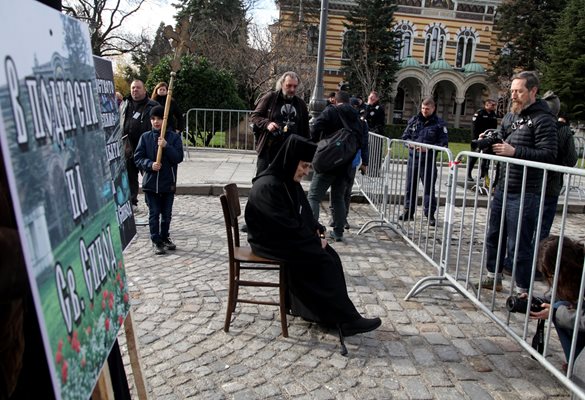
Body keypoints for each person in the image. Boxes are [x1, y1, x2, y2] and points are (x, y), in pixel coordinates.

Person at [244, 134, 382, 336]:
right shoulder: (268, 186)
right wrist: (313, 240)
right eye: (304, 166)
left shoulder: (287, 181)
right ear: (291, 161)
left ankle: (325, 313)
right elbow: (283, 226)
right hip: (269, 241)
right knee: (323, 260)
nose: (306, 171)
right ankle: (345, 320)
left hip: (282, 237)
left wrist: (315, 227)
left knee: (330, 255)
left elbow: (301, 212)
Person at [476, 71, 558, 293]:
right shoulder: (511, 116)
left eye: (519, 91)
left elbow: (550, 154)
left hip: (526, 191)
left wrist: (515, 152)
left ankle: (523, 290)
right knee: (494, 234)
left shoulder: (544, 119)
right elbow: (501, 135)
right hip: (503, 186)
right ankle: (493, 276)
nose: (514, 95)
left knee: (519, 244)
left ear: (533, 91)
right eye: (512, 91)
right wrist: (489, 137)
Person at [307, 91, 366, 241]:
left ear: (335, 100)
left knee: (313, 196)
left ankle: (311, 229)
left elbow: (315, 127)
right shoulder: (357, 118)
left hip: (328, 161)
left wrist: (317, 143)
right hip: (346, 163)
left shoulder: (331, 111)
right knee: (338, 197)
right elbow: (362, 140)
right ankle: (338, 232)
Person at [134, 105, 184, 255]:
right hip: (151, 184)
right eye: (153, 119)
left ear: (165, 120)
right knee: (154, 213)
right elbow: (138, 158)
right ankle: (156, 240)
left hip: (168, 183)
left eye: (159, 119)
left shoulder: (174, 138)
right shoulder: (145, 137)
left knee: (166, 214)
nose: (156, 122)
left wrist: (166, 146)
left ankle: (164, 237)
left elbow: (178, 158)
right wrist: (150, 164)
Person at [530, 236, 585, 365]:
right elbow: (559, 295)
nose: (553, 279)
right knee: (559, 306)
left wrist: (555, 312)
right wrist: (534, 300)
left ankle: (577, 367)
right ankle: (575, 363)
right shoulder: (574, 272)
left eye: (554, 274)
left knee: (559, 309)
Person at [399, 96, 448, 226]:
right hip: (413, 159)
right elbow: (405, 137)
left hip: (428, 161)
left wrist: (430, 150)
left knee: (428, 189)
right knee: (410, 187)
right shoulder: (414, 120)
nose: (424, 110)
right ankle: (408, 211)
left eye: (427, 108)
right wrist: (410, 144)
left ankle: (430, 214)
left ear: (433, 108)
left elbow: (443, 144)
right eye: (422, 108)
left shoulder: (439, 124)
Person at [250, 71, 310, 175]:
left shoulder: (300, 104)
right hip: (269, 148)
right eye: (289, 86)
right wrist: (267, 124)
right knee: (262, 180)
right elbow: (255, 116)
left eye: (295, 86)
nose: (292, 89)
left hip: (291, 151)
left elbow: (305, 130)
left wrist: (305, 153)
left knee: (286, 183)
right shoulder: (270, 98)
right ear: (282, 84)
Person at [539, 91, 578, 241]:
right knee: (542, 228)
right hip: (551, 183)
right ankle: (537, 259)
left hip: (529, 183)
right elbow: (571, 160)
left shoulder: (531, 123)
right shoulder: (563, 130)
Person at [119, 79, 159, 208]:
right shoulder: (125, 104)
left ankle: (152, 202)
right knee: (130, 175)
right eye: (133, 88)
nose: (135, 90)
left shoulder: (152, 105)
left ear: (144, 89)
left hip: (146, 145)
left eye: (138, 88)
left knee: (148, 175)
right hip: (128, 146)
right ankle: (132, 201)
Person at [468, 99, 498, 182]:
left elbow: (494, 128)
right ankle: (468, 173)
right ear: (487, 105)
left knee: (486, 157)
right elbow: (474, 126)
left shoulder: (493, 114)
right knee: (474, 156)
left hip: (487, 139)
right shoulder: (480, 113)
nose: (494, 107)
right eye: (492, 105)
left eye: (494, 105)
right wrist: (476, 138)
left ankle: (483, 174)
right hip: (478, 138)